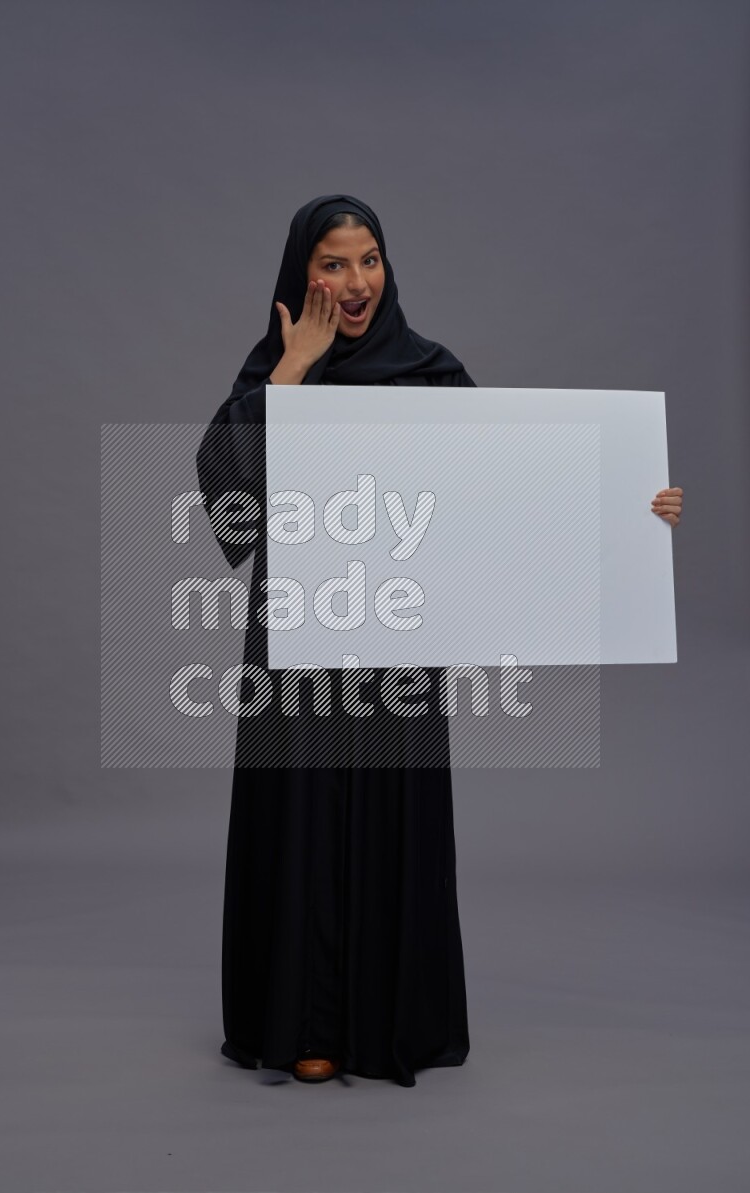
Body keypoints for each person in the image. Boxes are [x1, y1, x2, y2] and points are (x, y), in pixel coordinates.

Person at [196, 194, 684, 1088]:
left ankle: (388, 1023)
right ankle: (304, 1020)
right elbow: (228, 509)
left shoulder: (431, 373)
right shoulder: (272, 373)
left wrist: (633, 507)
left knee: (392, 812)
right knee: (302, 810)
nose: (354, 283)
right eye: (333, 264)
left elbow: (508, 500)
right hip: (299, 640)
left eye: (369, 260)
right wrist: (292, 376)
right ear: (302, 275)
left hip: (396, 648)